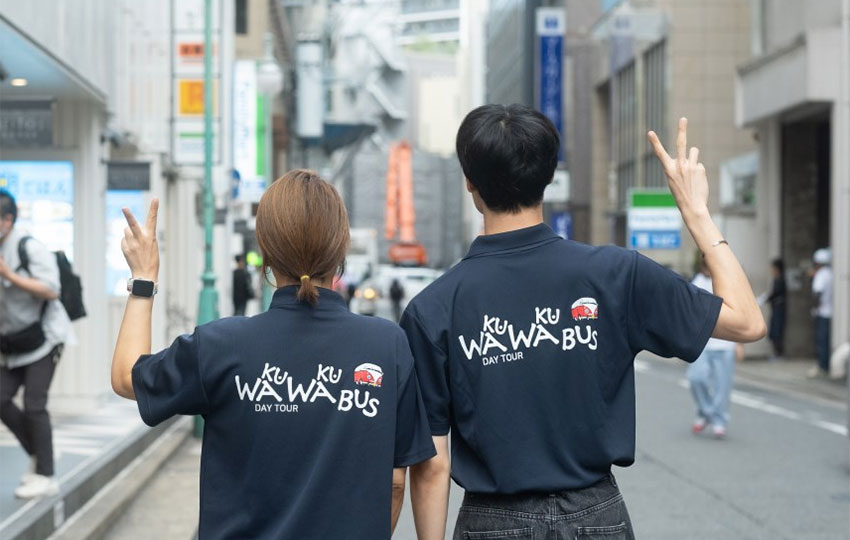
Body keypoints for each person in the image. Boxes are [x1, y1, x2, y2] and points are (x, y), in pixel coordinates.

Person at [400, 106, 765, 540]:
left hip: (492, 522)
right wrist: (696, 211)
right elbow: (747, 322)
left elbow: (433, 465)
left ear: (469, 181)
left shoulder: (433, 308)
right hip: (596, 517)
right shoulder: (616, 274)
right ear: (549, 175)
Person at [110, 170, 436, 539]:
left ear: (265, 253)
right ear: (340, 251)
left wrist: (144, 278)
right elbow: (395, 483)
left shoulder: (220, 346)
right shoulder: (387, 345)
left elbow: (126, 377)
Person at [0, 190, 73, 499]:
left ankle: (46, 475)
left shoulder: (29, 247)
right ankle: (39, 452)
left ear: (8, 220)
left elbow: (51, 289)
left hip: (46, 338)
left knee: (34, 403)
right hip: (14, 343)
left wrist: (8, 275)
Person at [687, 262, 738, 439]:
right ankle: (707, 412)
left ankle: (718, 420)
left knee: (722, 386)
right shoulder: (696, 282)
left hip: (725, 343)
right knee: (696, 378)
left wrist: (740, 343)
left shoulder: (728, 282)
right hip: (702, 342)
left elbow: (740, 313)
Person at [808, 248, 833, 378]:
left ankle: (822, 367)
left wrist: (814, 308)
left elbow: (817, 293)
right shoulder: (831, 273)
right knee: (826, 340)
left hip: (822, 312)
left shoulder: (821, 275)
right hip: (830, 311)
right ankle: (825, 365)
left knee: (821, 340)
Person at [766, 258, 787, 360]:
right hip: (775, 308)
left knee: (777, 331)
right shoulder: (776, 279)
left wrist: (767, 298)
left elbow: (775, 294)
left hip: (779, 309)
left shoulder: (781, 280)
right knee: (773, 331)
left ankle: (779, 354)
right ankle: (776, 353)